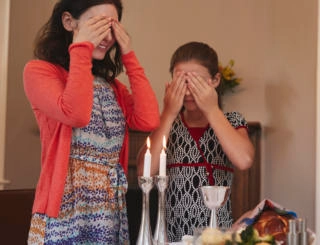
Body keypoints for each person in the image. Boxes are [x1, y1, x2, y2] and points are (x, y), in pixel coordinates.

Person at [23, 0, 160, 244]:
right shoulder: (40, 72)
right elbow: (76, 114)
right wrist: (81, 48)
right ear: (68, 22)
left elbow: (148, 119)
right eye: (97, 24)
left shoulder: (112, 87)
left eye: (112, 27)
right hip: (65, 209)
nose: (107, 36)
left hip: (109, 211)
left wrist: (128, 55)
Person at [137, 41, 255, 242]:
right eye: (181, 82)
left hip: (216, 237)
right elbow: (144, 173)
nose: (189, 91)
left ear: (215, 80)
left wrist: (211, 109)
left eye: (197, 82)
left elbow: (244, 160)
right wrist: (168, 114)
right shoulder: (167, 124)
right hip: (170, 235)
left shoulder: (232, 121)